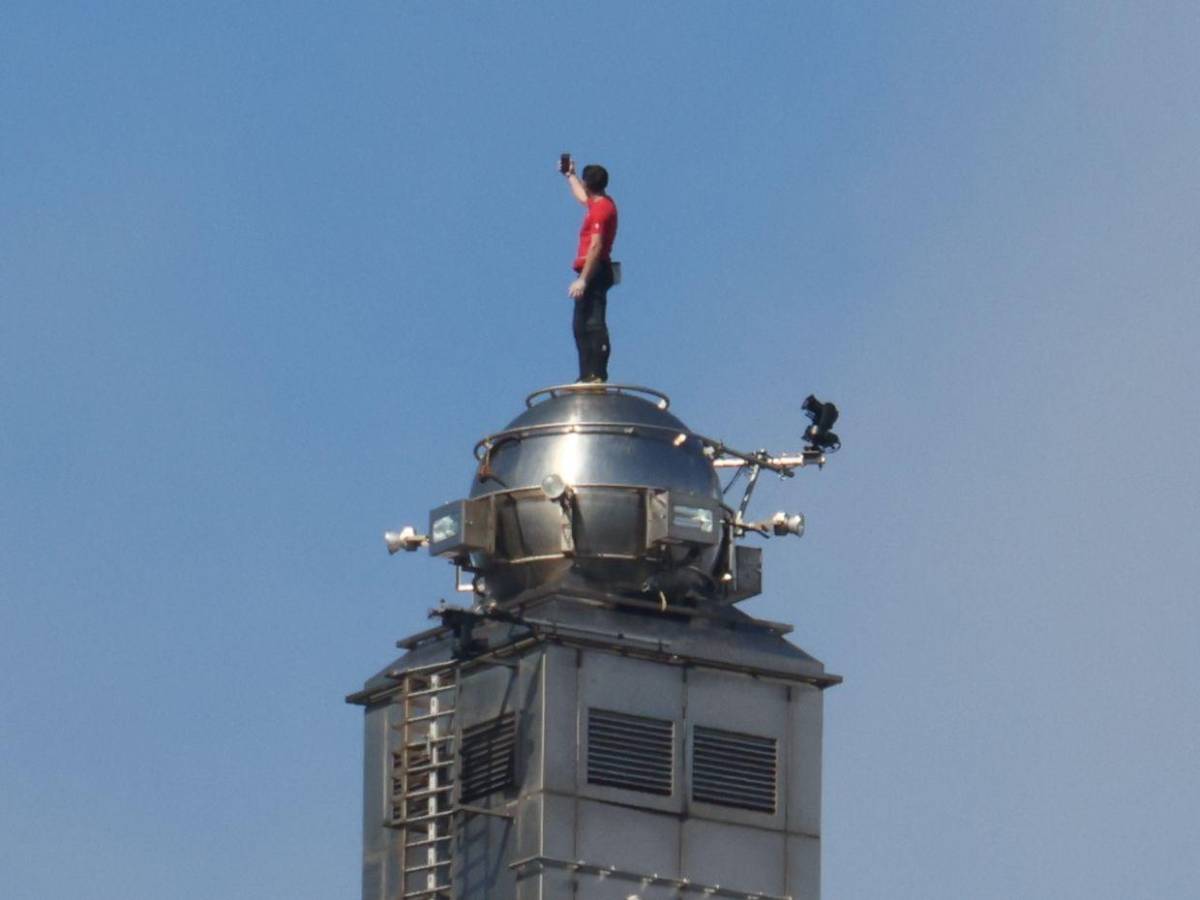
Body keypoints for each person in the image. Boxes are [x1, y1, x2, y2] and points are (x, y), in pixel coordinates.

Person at [562, 159, 618, 383]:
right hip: (592, 270)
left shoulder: (601, 211)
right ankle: (586, 374)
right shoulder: (599, 203)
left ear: (588, 183)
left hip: (594, 270)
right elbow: (583, 197)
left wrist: (583, 279)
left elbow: (596, 246)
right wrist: (570, 176)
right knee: (580, 325)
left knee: (592, 323)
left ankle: (596, 374)